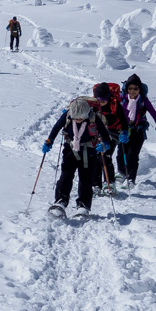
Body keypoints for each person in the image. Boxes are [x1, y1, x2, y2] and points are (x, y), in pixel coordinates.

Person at [43, 90, 114, 218]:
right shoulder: (67, 116)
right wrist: (49, 141)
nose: (79, 120)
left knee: (86, 179)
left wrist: (105, 145)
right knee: (66, 176)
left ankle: (83, 206)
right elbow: (56, 128)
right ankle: (60, 202)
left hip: (89, 152)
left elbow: (105, 135)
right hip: (70, 150)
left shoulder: (94, 117)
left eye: (81, 117)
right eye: (76, 118)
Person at [119, 73, 156, 186]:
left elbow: (153, 113)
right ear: (126, 89)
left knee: (132, 155)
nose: (132, 91)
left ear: (139, 89)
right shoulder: (122, 99)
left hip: (138, 131)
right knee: (121, 154)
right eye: (130, 88)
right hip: (123, 130)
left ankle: (131, 178)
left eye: (135, 88)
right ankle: (122, 173)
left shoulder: (143, 100)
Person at [93, 81, 129, 193]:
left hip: (112, 133)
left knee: (106, 156)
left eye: (103, 100)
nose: (101, 103)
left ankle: (109, 182)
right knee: (96, 158)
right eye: (99, 100)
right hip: (97, 133)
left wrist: (125, 132)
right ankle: (96, 184)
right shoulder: (92, 105)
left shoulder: (115, 104)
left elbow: (123, 120)